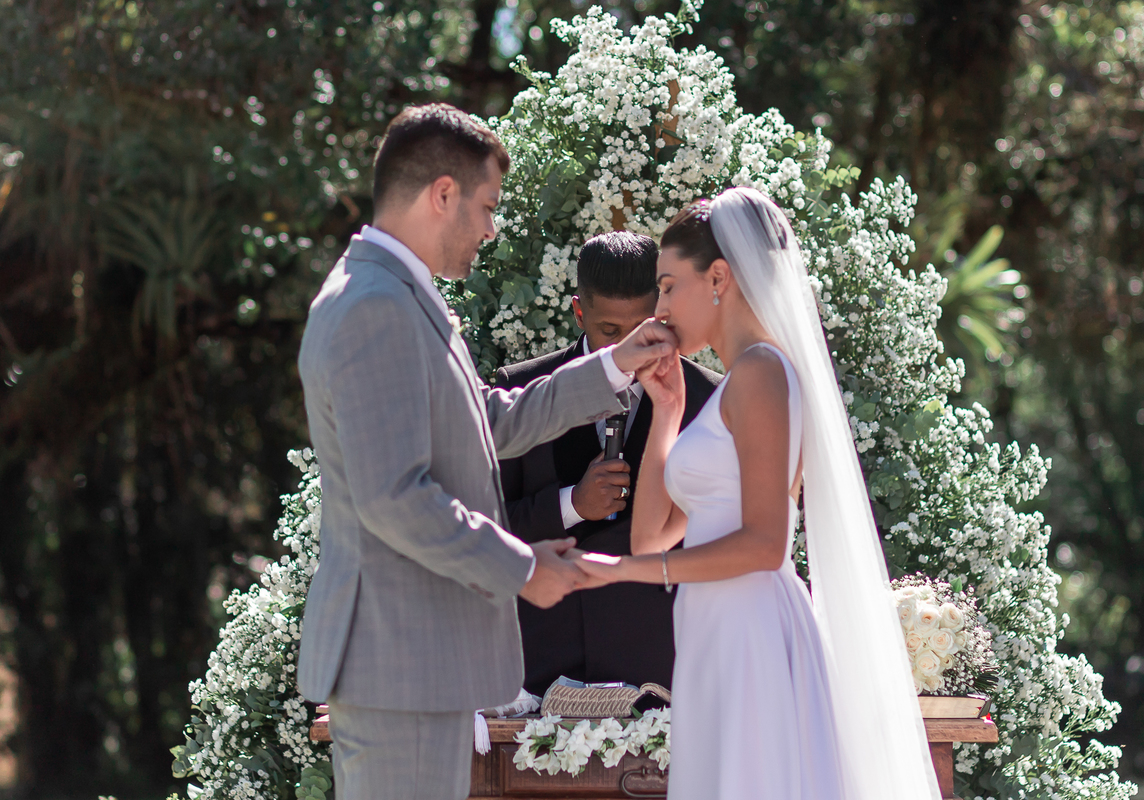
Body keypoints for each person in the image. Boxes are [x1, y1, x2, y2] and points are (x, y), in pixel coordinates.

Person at [295, 103, 676, 800]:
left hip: (416, 667)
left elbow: (486, 419)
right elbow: (393, 497)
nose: (491, 229)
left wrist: (614, 364)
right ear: (443, 194)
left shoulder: (396, 296)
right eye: (487, 207)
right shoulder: (374, 307)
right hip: (398, 665)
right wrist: (522, 567)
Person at [575, 188, 940, 800]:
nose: (658, 308)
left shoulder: (762, 373)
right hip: (713, 630)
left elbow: (767, 544)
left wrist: (627, 573)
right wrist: (668, 411)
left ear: (718, 277)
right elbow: (651, 536)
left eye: (668, 286)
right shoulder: (731, 384)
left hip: (751, 630)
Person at [495, 231, 721, 696]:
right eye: (611, 332)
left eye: (644, 328)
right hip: (539, 669)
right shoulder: (520, 390)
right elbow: (485, 528)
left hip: (665, 670)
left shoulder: (712, 399)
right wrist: (571, 504)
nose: (631, 347)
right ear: (579, 312)